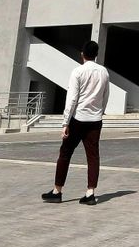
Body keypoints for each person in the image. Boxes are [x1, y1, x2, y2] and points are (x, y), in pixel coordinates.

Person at [42, 39, 110, 205]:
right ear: (96, 55)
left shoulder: (77, 72)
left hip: (78, 119)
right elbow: (106, 96)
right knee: (93, 156)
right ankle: (90, 193)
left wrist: (65, 123)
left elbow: (72, 99)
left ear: (82, 54)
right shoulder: (104, 72)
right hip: (95, 120)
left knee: (65, 153)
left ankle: (57, 191)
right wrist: (100, 112)